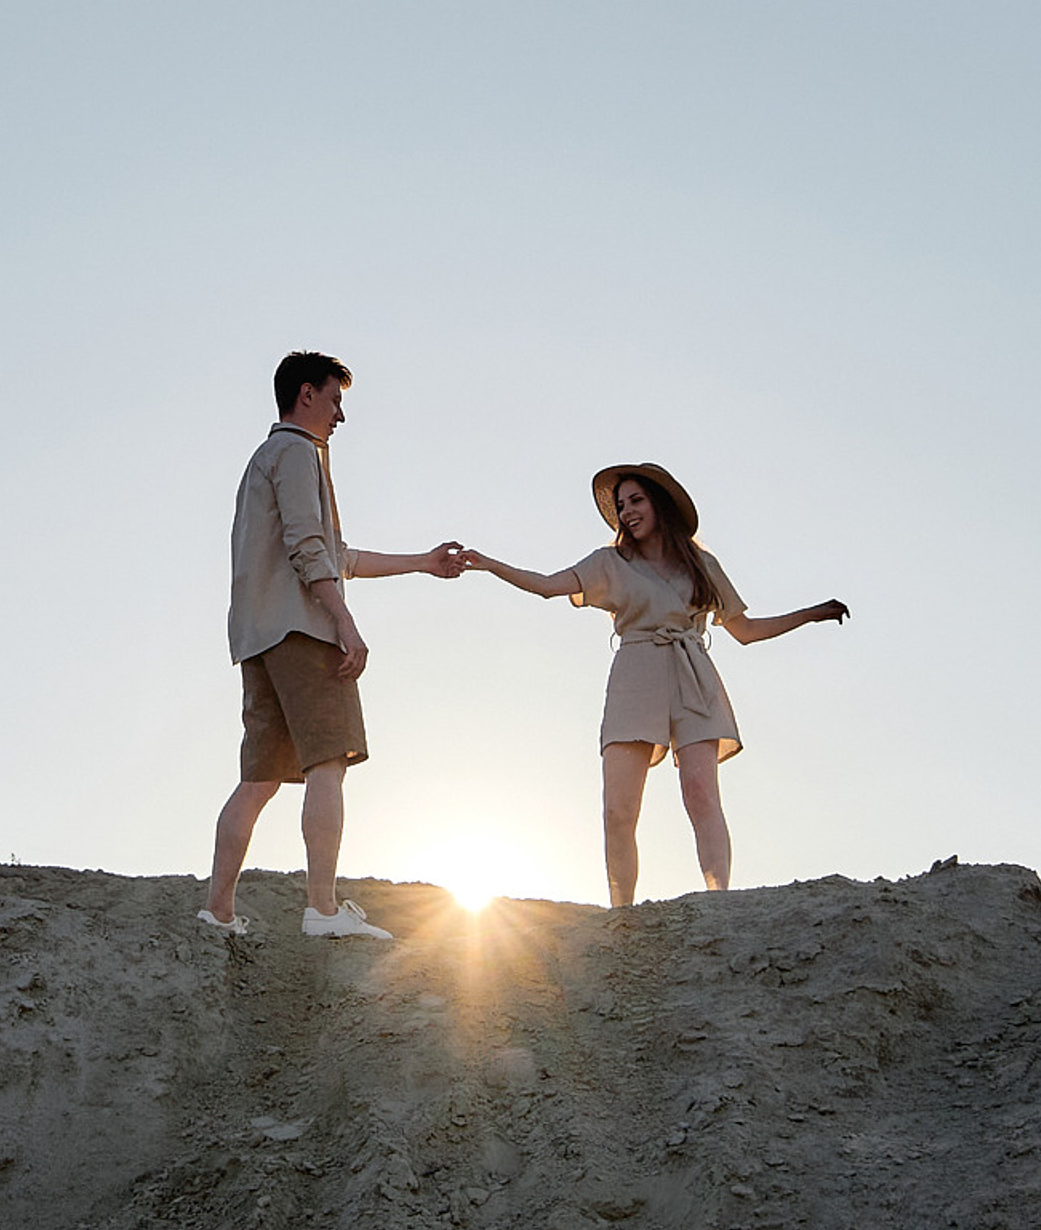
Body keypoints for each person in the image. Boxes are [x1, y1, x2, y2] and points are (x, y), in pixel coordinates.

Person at [462, 465, 846, 908]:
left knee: (702, 796)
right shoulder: (609, 563)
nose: (627, 512)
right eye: (621, 505)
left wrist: (809, 614)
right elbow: (550, 587)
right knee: (618, 810)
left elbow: (745, 629)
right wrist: (490, 565)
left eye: (636, 501)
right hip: (635, 673)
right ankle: (621, 913)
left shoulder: (703, 565)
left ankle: (719, 905)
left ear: (660, 504)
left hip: (693, 674)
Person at [201, 351, 465, 941]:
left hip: (258, 638)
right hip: (303, 631)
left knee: (259, 778)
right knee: (329, 762)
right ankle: (322, 909)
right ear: (307, 395)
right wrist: (344, 621)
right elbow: (309, 549)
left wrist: (422, 563)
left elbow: (336, 555)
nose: (341, 416)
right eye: (336, 399)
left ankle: (216, 912)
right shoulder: (296, 453)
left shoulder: (261, 463)